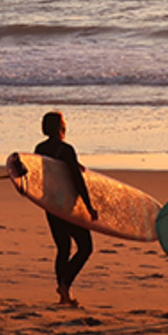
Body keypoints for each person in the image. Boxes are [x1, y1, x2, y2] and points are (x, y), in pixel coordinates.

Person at [34, 110, 98, 306]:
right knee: (85, 247)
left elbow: (40, 175)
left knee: (63, 248)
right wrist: (89, 206)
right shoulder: (66, 149)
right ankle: (64, 285)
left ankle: (64, 295)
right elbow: (77, 181)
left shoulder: (39, 148)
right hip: (67, 205)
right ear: (60, 127)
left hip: (50, 204)